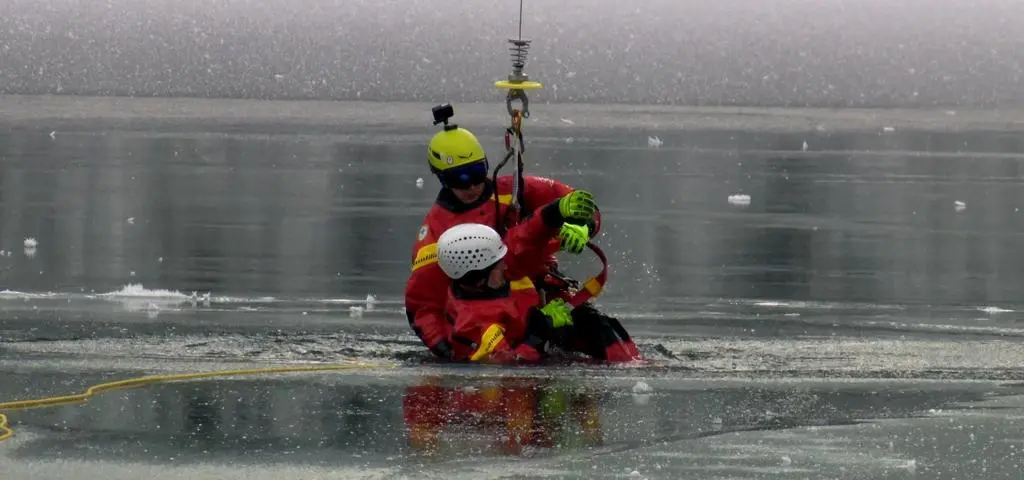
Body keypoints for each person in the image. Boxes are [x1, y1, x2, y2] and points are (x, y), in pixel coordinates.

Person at [434, 192, 641, 364]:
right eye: (499, 265)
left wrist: (558, 210)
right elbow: (509, 364)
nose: (506, 265)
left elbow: (525, 235)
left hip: (538, 332)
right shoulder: (473, 325)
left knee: (594, 323)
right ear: (477, 278)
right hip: (527, 393)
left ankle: (634, 363)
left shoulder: (488, 276)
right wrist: (542, 328)